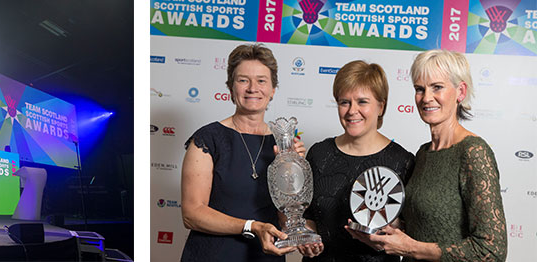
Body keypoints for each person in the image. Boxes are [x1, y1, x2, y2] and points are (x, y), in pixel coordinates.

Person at [347, 50, 507, 261]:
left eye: (437, 87)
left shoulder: (473, 152)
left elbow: (491, 251)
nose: (426, 98)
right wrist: (384, 233)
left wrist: (410, 248)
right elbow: (425, 225)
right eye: (419, 89)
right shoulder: (423, 153)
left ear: (460, 92)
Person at [180, 43, 321, 261]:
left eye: (261, 81)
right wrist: (252, 227)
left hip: (265, 256)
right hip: (214, 255)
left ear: (273, 89)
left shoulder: (285, 145)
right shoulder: (208, 139)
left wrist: (292, 171)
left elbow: (286, 218)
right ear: (231, 87)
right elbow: (192, 214)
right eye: (243, 80)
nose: (252, 88)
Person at [302, 60, 414, 261]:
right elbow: (306, 216)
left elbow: (410, 232)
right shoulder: (319, 154)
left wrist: (387, 239)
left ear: (381, 106)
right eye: (344, 102)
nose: (352, 110)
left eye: (362, 101)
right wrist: (307, 236)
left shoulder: (403, 161)